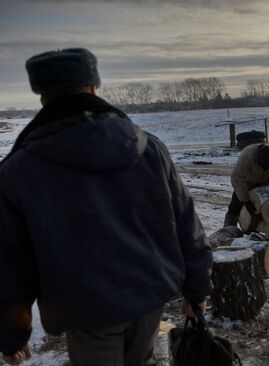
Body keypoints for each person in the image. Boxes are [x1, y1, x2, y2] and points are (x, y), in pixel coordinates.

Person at [0, 48, 213, 366]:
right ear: (94, 88)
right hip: (149, 297)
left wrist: (11, 335)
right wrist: (196, 291)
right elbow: (187, 223)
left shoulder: (17, 171)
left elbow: (10, 263)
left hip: (88, 311)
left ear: (42, 96)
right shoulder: (149, 147)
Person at [224, 143, 269, 226]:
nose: (266, 166)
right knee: (236, 204)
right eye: (264, 165)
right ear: (258, 159)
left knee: (263, 207)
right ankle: (229, 224)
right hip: (247, 182)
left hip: (264, 183)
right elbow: (237, 180)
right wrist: (245, 200)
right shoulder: (246, 157)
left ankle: (258, 227)